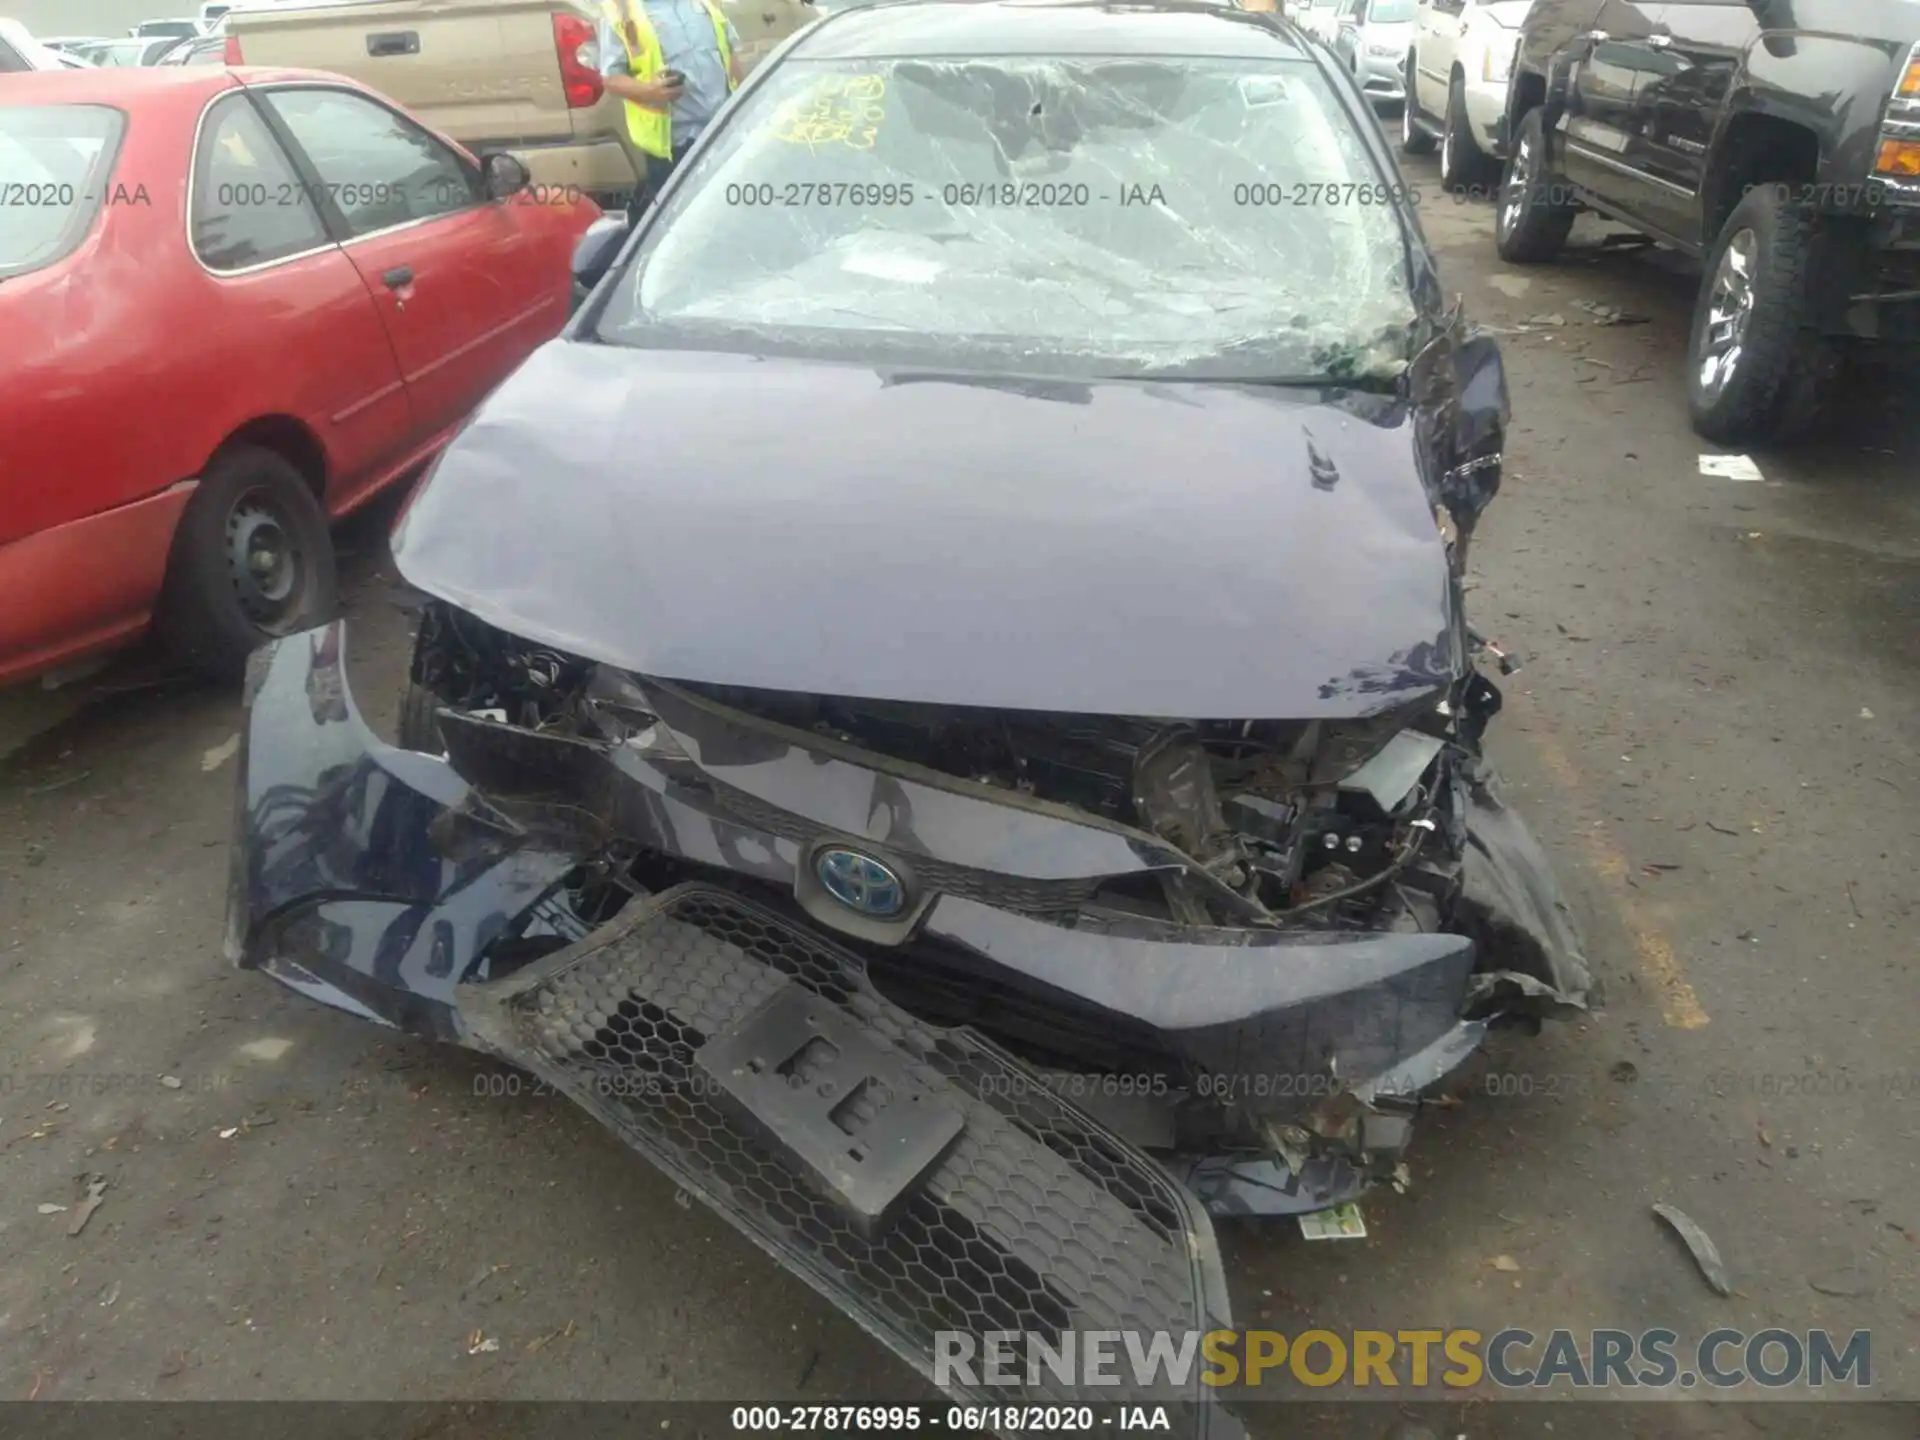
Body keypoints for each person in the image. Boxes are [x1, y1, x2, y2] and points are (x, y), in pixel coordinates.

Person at [597, 0, 743, 222]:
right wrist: (649, 91)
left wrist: (744, 109)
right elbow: (611, 78)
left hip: (723, 134)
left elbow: (729, 53)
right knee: (683, 228)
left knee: (730, 220)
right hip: (674, 149)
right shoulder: (620, 11)